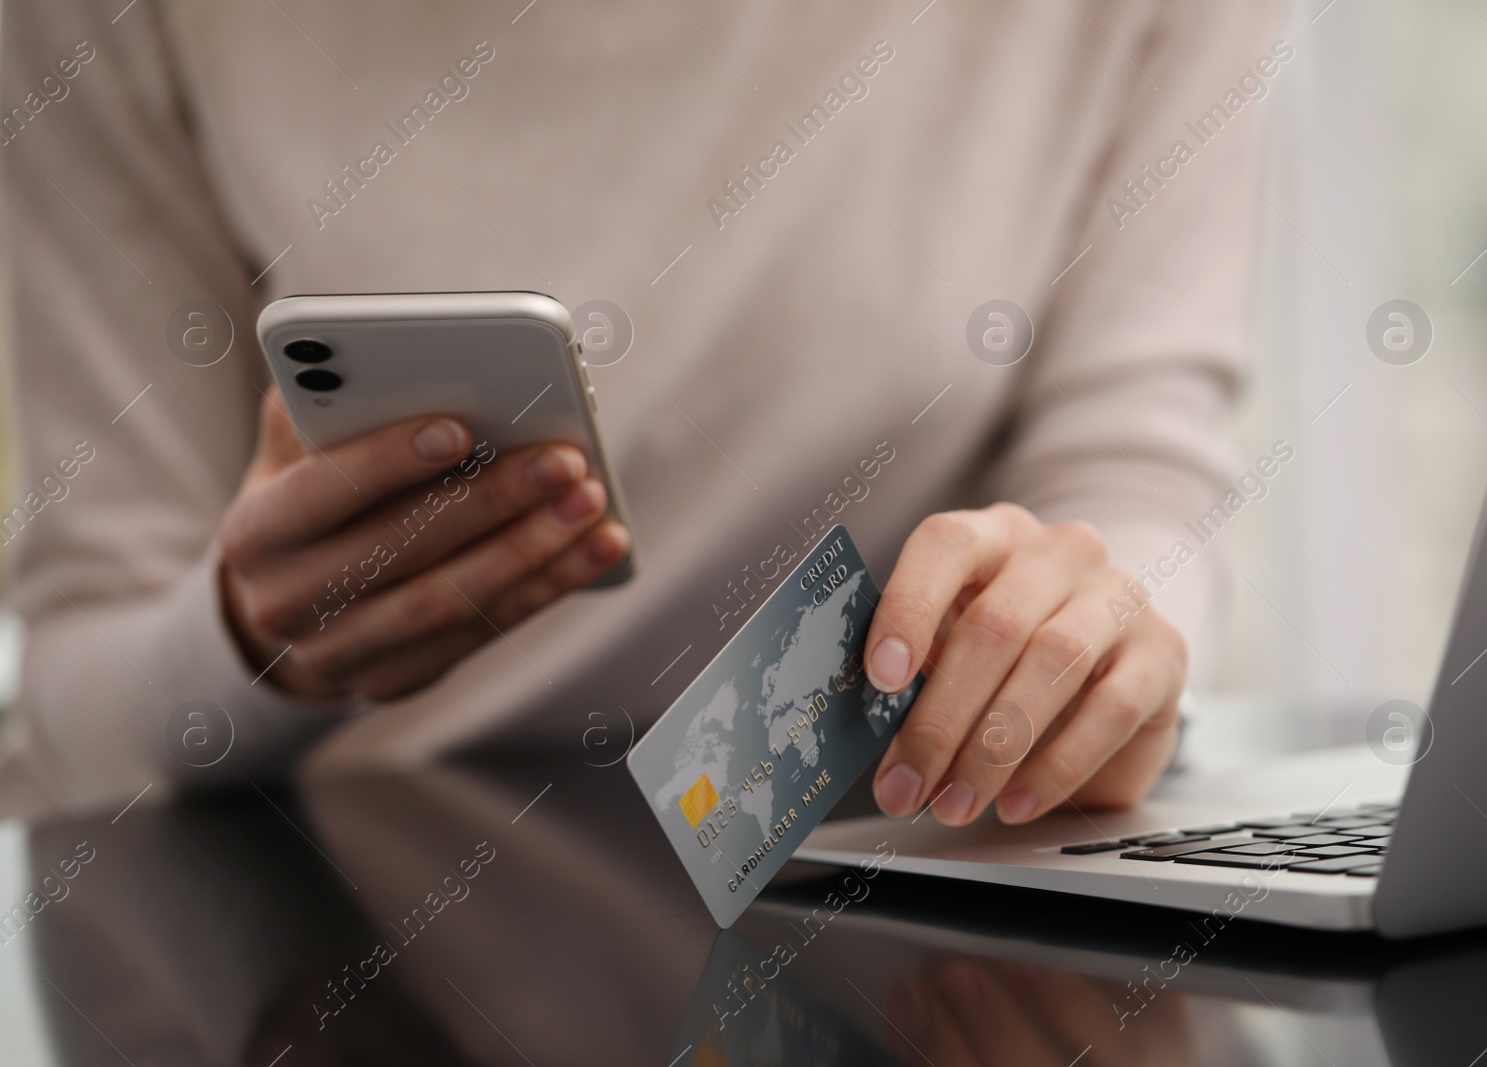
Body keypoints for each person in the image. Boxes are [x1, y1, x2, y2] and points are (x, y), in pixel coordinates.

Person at [0, 0, 1279, 823]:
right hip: (330, 945)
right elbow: (79, 711)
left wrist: (1100, 638)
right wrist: (246, 646)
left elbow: (1133, 481)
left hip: (864, 896)